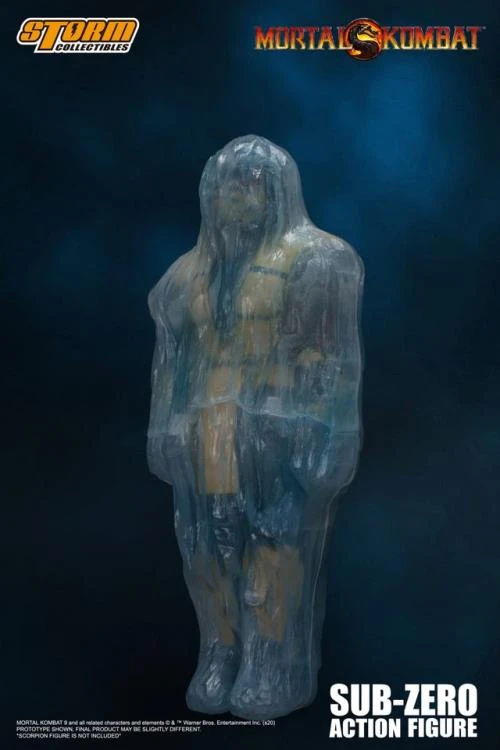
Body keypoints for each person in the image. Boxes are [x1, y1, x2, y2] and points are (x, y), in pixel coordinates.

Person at [147, 135, 364, 719]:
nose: (234, 196)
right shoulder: (185, 277)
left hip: (280, 434)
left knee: (275, 544)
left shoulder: (318, 260)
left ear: (276, 191)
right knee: (206, 549)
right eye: (225, 184)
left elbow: (333, 359)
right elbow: (171, 362)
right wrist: (161, 429)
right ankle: (220, 652)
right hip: (206, 436)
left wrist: (332, 436)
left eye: (250, 183)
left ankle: (272, 662)